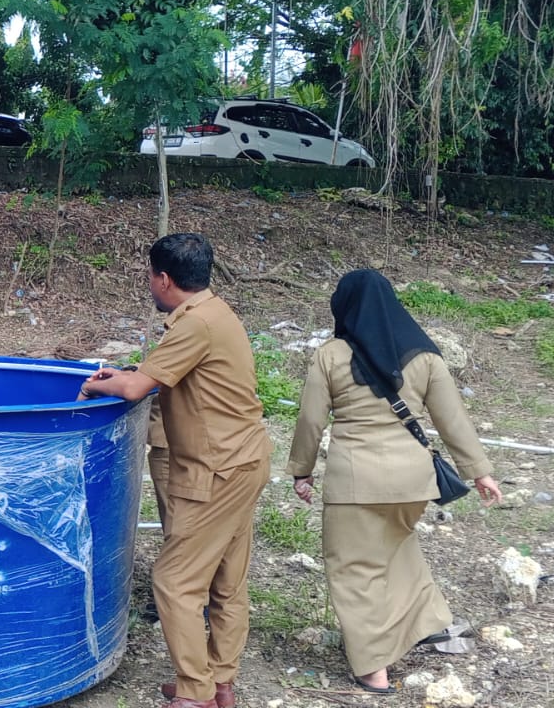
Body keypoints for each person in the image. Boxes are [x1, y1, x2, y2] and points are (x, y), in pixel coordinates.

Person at [286, 269, 503, 694]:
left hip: (355, 483)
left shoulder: (331, 355)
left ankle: (373, 667)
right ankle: (428, 622)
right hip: (412, 482)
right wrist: (480, 471)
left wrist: (301, 469)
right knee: (397, 546)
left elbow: (311, 419)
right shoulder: (425, 355)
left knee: (354, 569)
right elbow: (452, 419)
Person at [82, 233, 270, 708]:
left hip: (215, 469)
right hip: (244, 458)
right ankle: (219, 682)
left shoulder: (194, 325)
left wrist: (99, 385)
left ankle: (195, 693)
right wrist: (126, 376)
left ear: (163, 279)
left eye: (150, 276)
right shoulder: (216, 312)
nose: (150, 283)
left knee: (175, 580)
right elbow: (159, 377)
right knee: (227, 578)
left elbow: (137, 388)